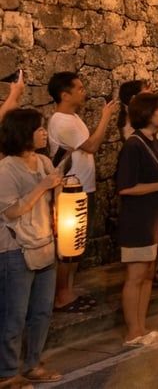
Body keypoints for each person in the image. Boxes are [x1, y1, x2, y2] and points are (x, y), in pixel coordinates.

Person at [46, 71, 118, 314]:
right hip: (70, 191)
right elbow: (92, 146)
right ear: (64, 94)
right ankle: (61, 296)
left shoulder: (73, 117)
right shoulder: (61, 121)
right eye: (78, 88)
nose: (83, 91)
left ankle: (68, 290)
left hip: (83, 187)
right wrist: (106, 117)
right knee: (68, 244)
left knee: (77, 242)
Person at [0, 109, 63, 384]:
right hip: (15, 249)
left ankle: (33, 363)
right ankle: (7, 372)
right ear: (23, 133)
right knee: (13, 315)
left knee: (41, 311)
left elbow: (56, 200)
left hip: (45, 243)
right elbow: (12, 211)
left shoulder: (45, 163)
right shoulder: (6, 169)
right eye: (38, 129)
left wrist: (60, 187)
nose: (43, 133)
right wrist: (44, 186)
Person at [115, 93, 158, 347]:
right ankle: (133, 331)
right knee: (136, 274)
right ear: (146, 115)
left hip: (153, 217)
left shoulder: (151, 141)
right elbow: (126, 187)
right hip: (137, 219)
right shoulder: (134, 144)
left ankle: (142, 327)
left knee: (149, 274)